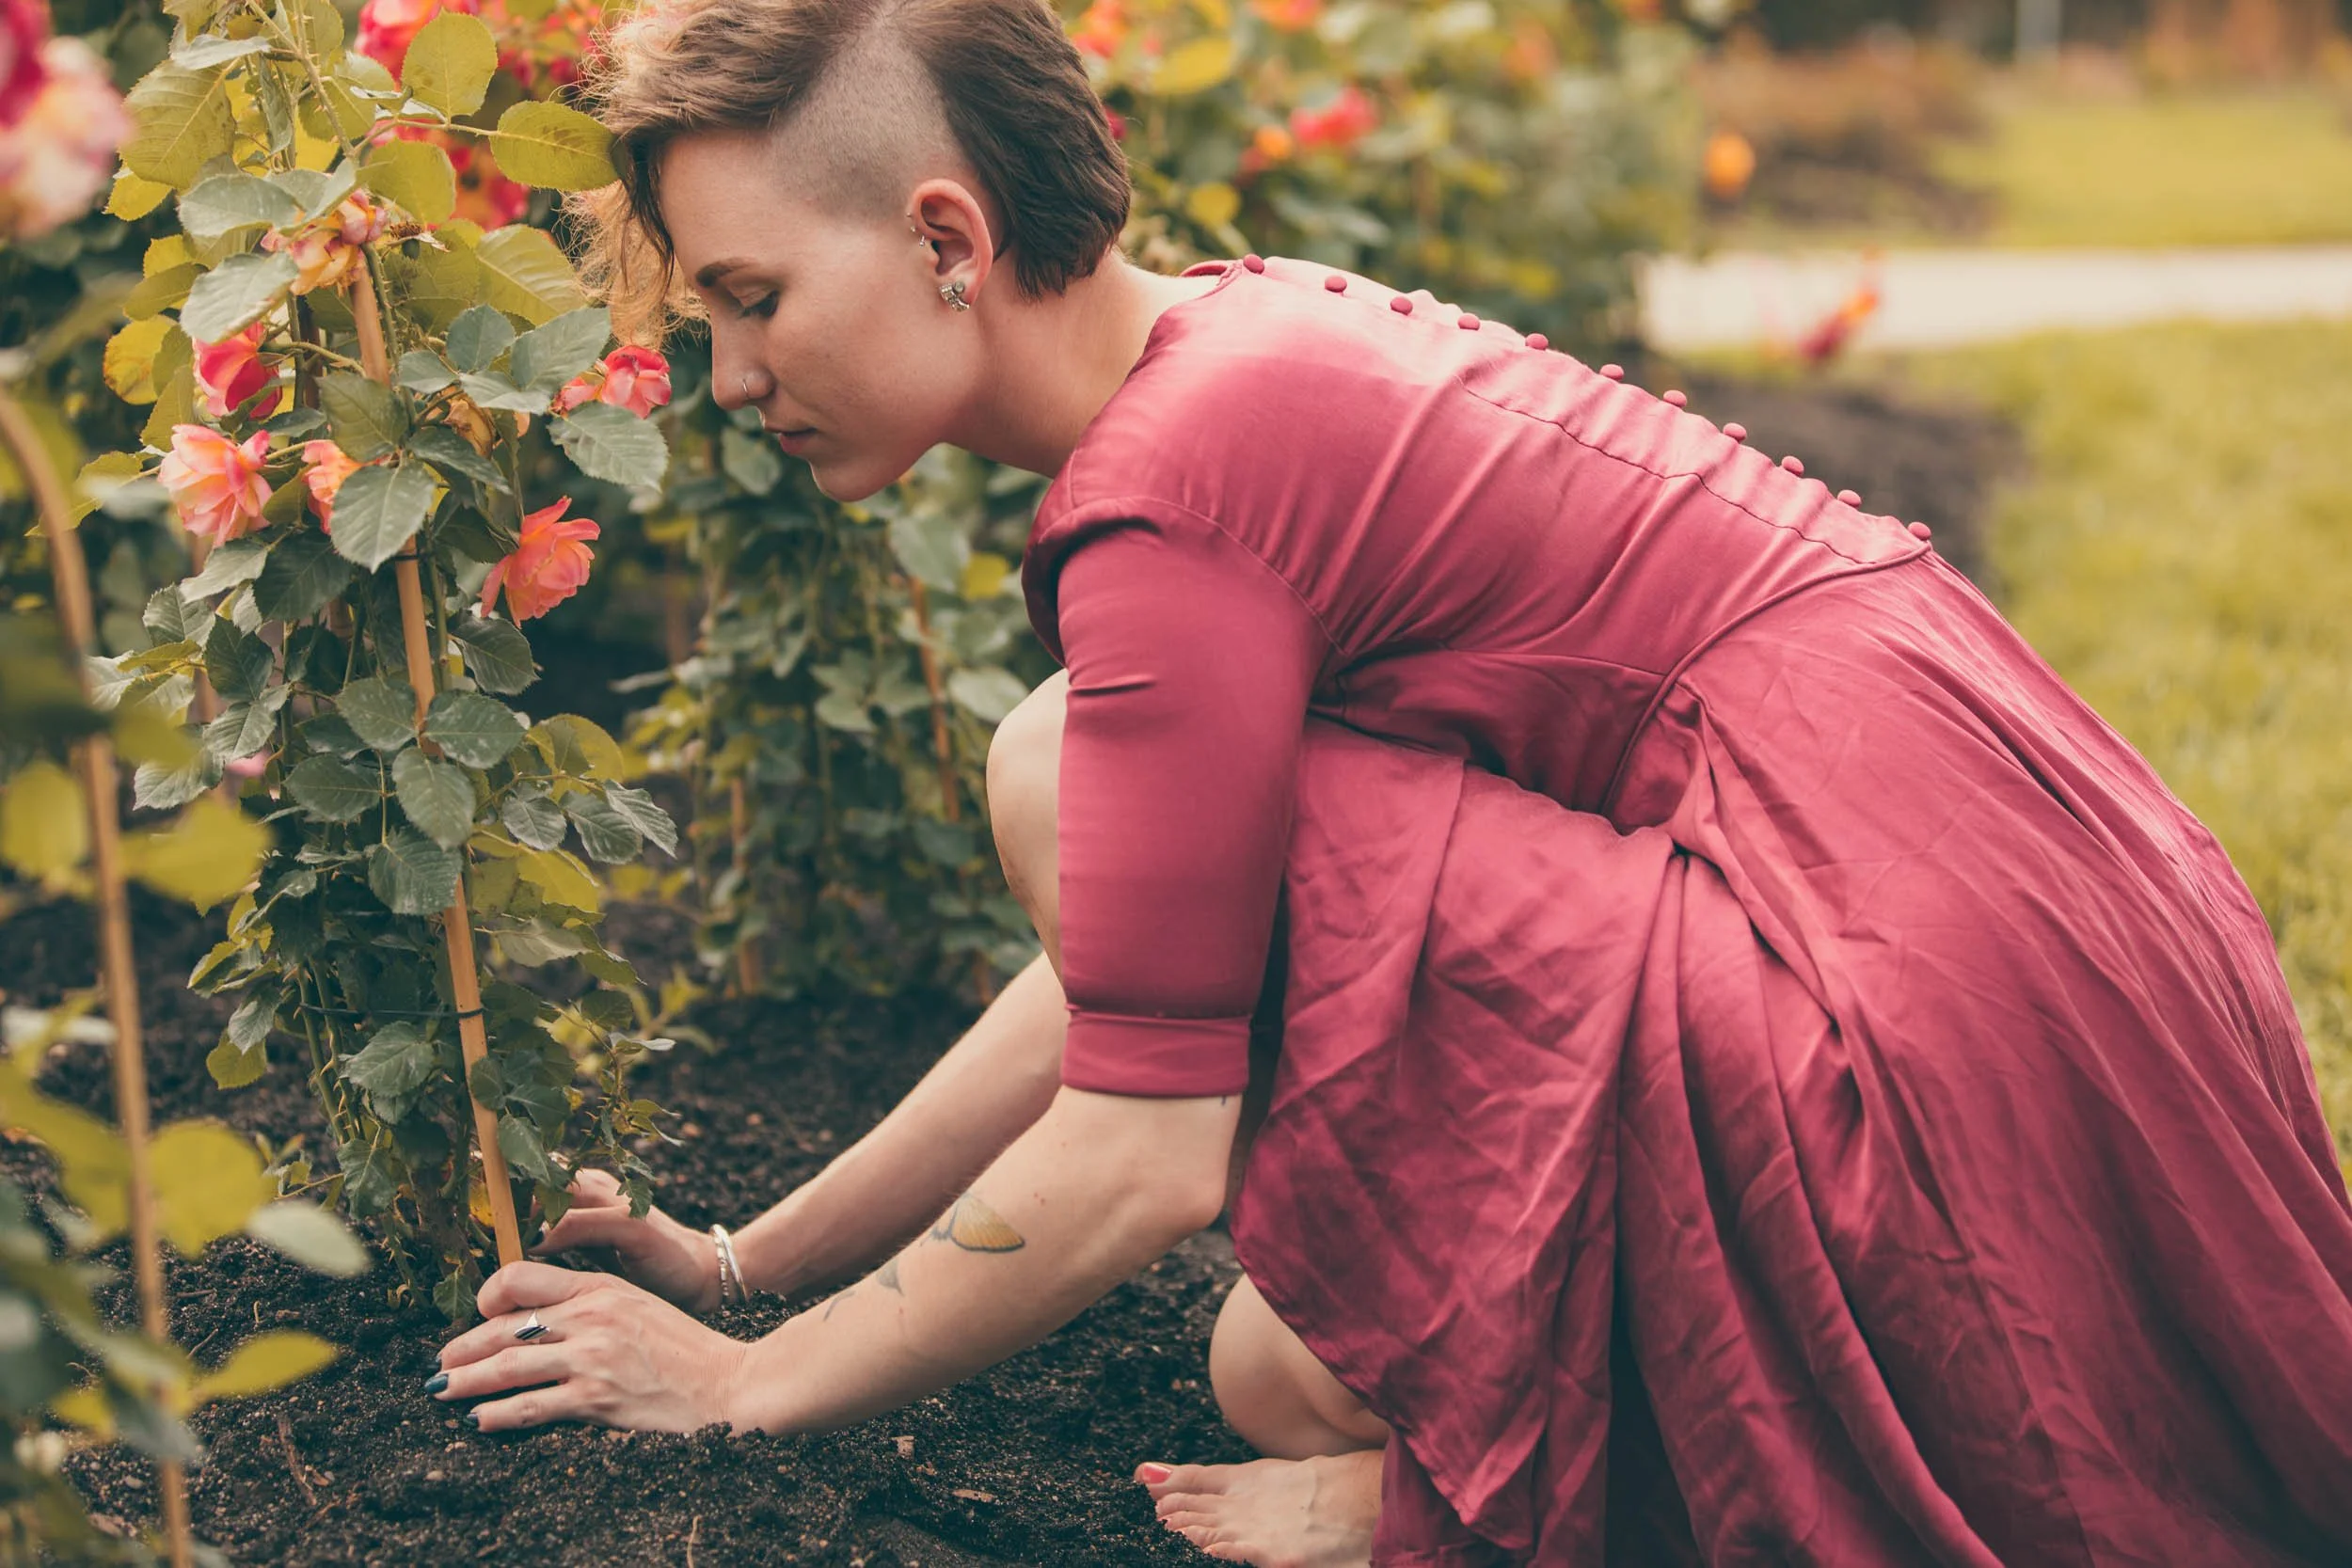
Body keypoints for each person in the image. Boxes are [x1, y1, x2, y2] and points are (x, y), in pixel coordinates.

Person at [430, 0, 2352, 1562]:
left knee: (1050, 756)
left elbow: (1141, 1143)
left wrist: (738, 1381)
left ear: (946, 240)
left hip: (1895, 1012)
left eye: (753, 297)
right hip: (2011, 899)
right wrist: (748, 1259)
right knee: (1278, 1367)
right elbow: (1144, 953)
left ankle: (1552, 1496)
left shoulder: (1168, 506)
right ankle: (1529, 1475)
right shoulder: (1240, 333)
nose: (729, 375)